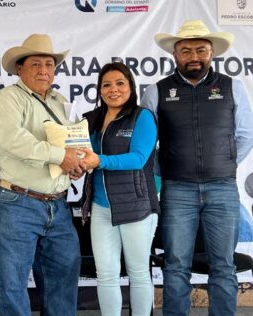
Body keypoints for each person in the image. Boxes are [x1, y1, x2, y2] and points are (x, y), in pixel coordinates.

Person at [140, 20, 253, 316]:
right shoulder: (156, 91)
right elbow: (145, 143)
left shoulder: (233, 87)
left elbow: (245, 135)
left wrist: (226, 162)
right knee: (176, 265)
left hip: (223, 189)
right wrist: (167, 169)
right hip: (177, 190)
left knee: (223, 266)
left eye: (200, 50)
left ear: (211, 52)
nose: (194, 56)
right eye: (186, 50)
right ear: (174, 55)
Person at [0, 34, 82, 315]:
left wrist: (75, 164)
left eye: (49, 65)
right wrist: (61, 157)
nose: (43, 71)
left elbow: (72, 142)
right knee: (13, 284)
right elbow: (15, 140)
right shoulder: (7, 99)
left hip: (58, 204)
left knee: (63, 279)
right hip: (15, 202)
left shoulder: (60, 100)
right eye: (36, 64)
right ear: (20, 69)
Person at [79, 62, 159, 316]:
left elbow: (138, 158)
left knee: (138, 272)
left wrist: (100, 161)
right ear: (99, 90)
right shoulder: (92, 119)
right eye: (106, 84)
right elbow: (83, 155)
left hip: (136, 206)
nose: (113, 89)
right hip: (100, 208)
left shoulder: (142, 116)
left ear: (131, 87)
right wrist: (77, 164)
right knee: (106, 274)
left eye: (120, 83)